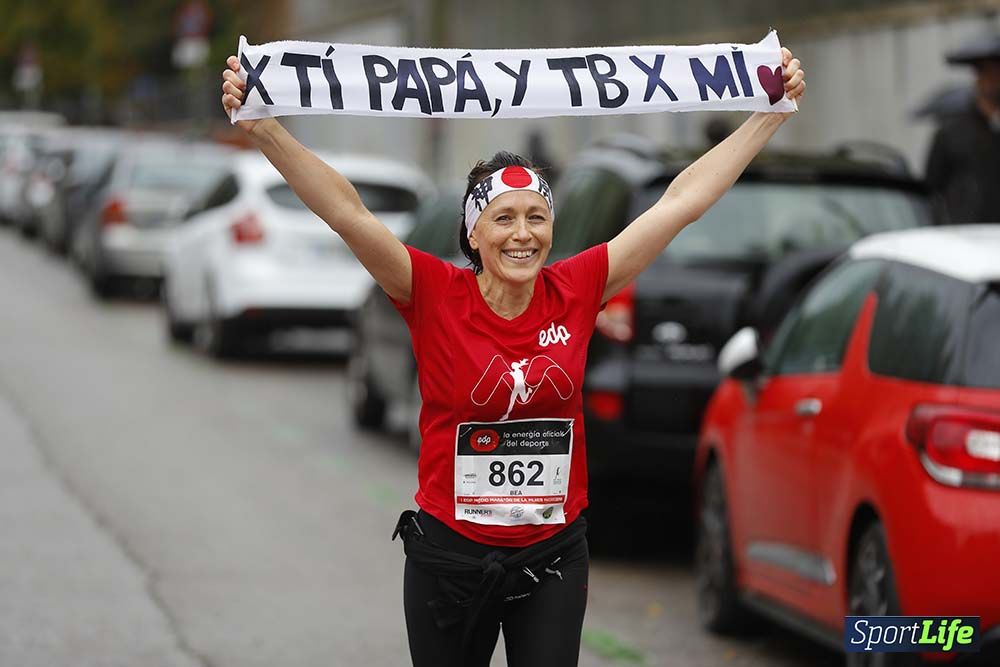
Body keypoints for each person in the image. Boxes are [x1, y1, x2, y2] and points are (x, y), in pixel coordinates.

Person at [220, 46, 805, 667]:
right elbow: (346, 210)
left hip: (552, 554)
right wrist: (265, 129)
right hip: (450, 556)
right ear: (473, 233)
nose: (522, 233)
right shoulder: (432, 293)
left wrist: (766, 118)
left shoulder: (576, 288)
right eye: (503, 219)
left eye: (536, 217)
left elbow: (679, 203)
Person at [925, 30, 1000, 224]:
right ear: (978, 76)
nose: (994, 80)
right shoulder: (951, 134)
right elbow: (932, 191)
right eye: (987, 72)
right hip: (968, 238)